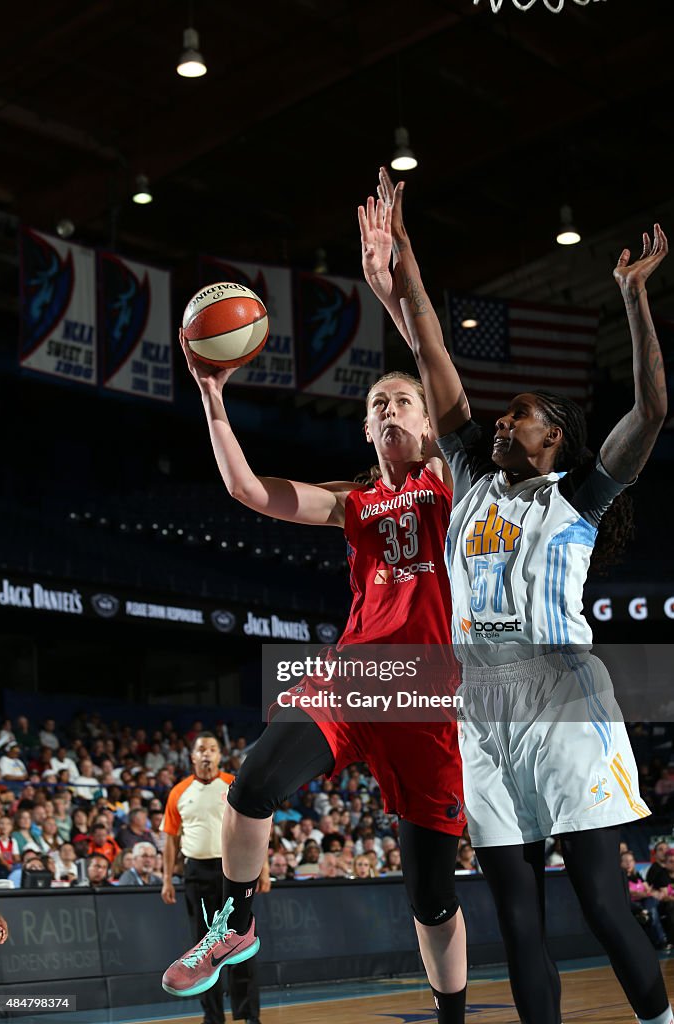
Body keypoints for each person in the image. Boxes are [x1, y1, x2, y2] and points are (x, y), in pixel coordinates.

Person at [367, 166, 672, 1024]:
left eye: (522, 416)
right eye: (501, 415)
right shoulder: (466, 471)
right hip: (481, 705)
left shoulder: (578, 496)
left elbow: (650, 409)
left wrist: (631, 298)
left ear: (559, 440)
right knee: (516, 919)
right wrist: (404, 259)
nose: (502, 421)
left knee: (600, 901)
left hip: (564, 697)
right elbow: (431, 350)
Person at [162, 325, 468, 1023]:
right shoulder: (352, 503)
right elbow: (247, 490)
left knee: (430, 896)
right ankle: (234, 927)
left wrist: (399, 301)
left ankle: (450, 1016)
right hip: (351, 682)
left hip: (427, 701)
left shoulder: (450, 483)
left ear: (426, 422)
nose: (390, 410)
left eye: (402, 401)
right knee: (252, 785)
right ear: (365, 428)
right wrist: (212, 397)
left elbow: (444, 393)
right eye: (378, 405)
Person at [161, 733, 265, 1024]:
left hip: (232, 872)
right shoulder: (179, 792)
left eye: (212, 749)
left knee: (239, 943)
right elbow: (170, 839)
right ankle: (213, 1018)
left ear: (220, 755)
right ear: (192, 756)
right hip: (196, 873)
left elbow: (253, 831)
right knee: (201, 948)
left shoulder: (234, 784)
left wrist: (263, 871)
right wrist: (167, 879)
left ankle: (248, 1016)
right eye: (201, 749)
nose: (206, 754)